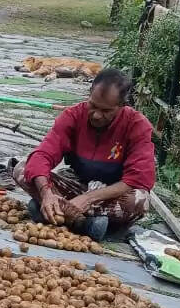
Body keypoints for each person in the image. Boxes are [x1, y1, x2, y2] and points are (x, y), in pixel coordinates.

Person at [15, 68, 155, 241]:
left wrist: (88, 199)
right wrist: (46, 193)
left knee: (139, 200)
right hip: (77, 185)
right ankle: (81, 221)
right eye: (93, 106)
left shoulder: (137, 125)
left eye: (106, 111)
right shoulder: (73, 115)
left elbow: (137, 179)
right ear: (89, 94)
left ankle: (60, 214)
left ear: (122, 106)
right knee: (22, 169)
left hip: (110, 194)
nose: (96, 115)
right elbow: (43, 155)